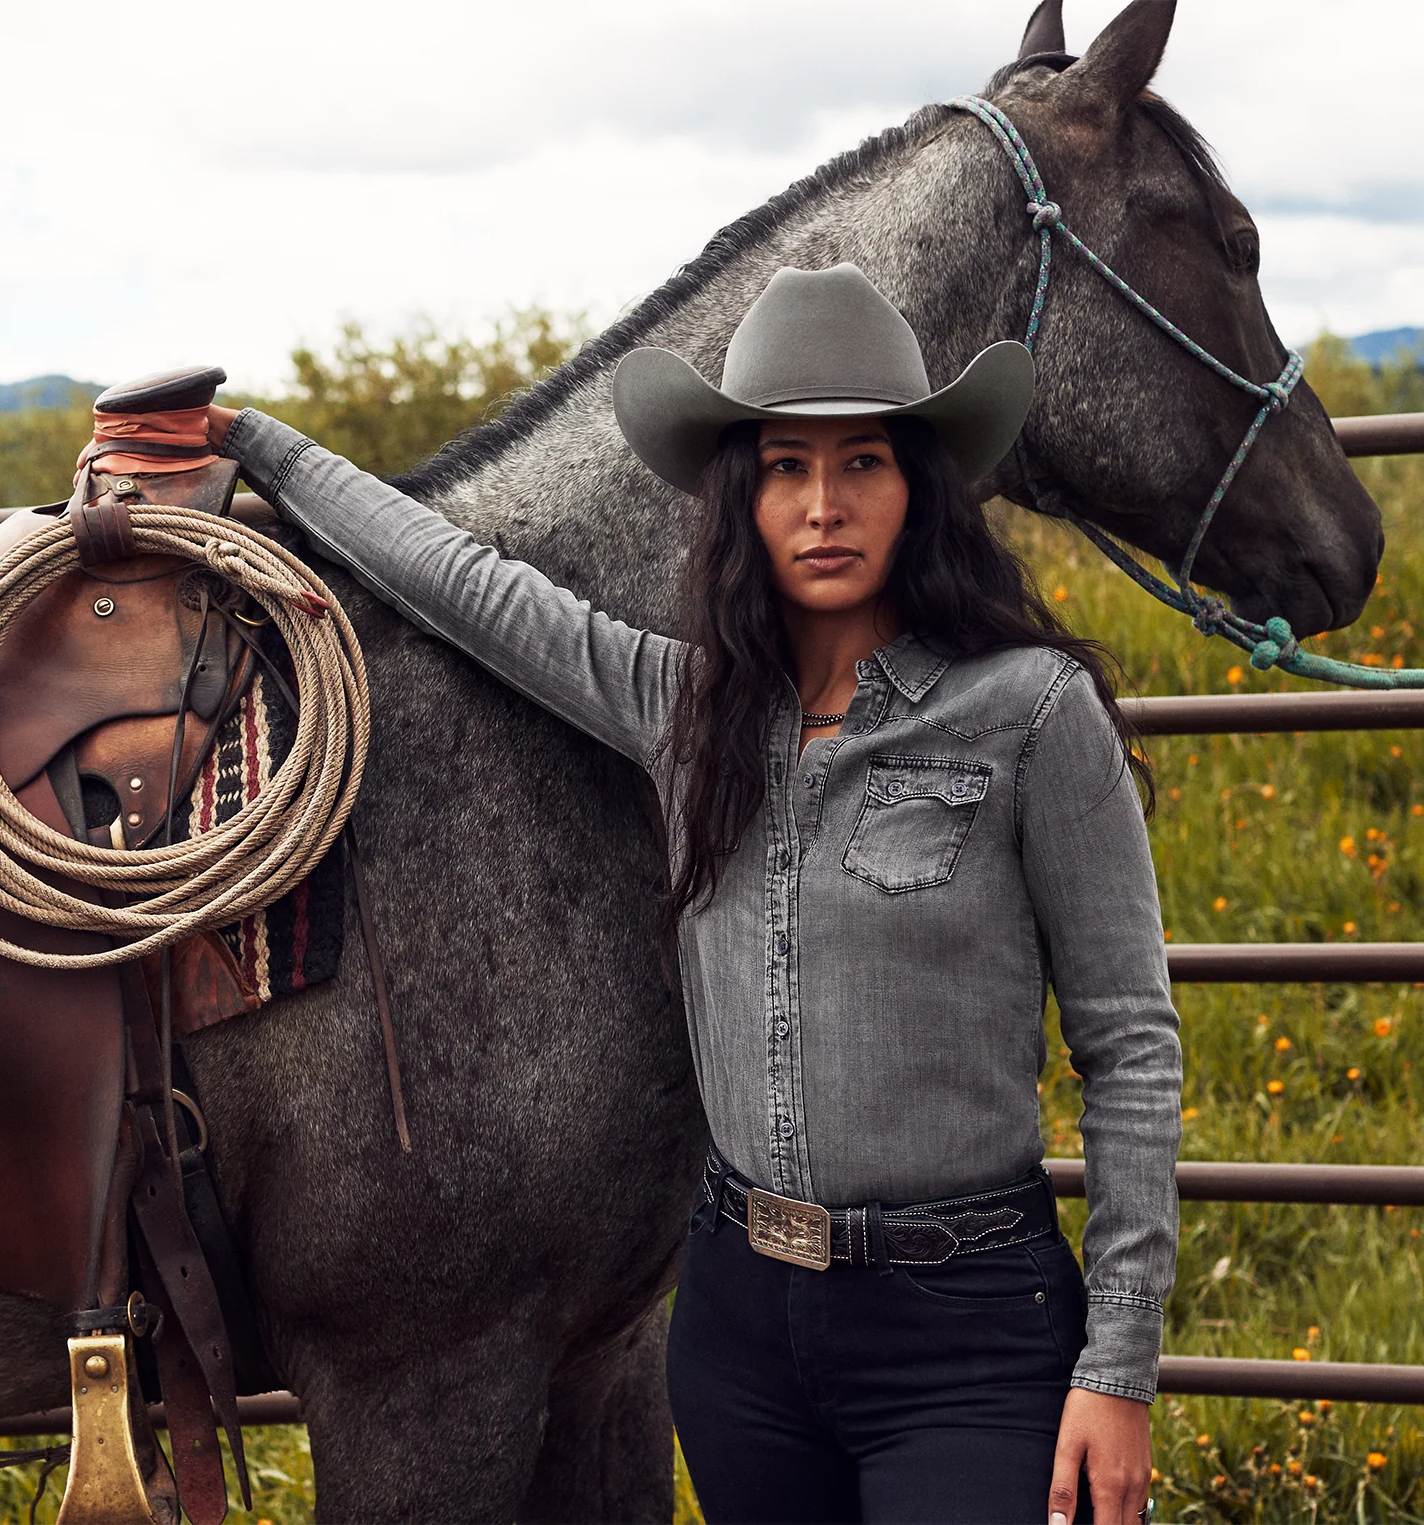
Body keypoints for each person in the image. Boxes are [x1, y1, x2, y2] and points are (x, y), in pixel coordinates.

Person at [206, 262, 1181, 1525]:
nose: (823, 506)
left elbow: (1132, 1047)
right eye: (785, 467)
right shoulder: (683, 710)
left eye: (862, 464)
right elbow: (462, 579)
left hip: (967, 1327)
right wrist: (254, 443)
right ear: (743, 496)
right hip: (741, 1324)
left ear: (919, 487)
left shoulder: (1030, 716)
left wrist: (1117, 1368)